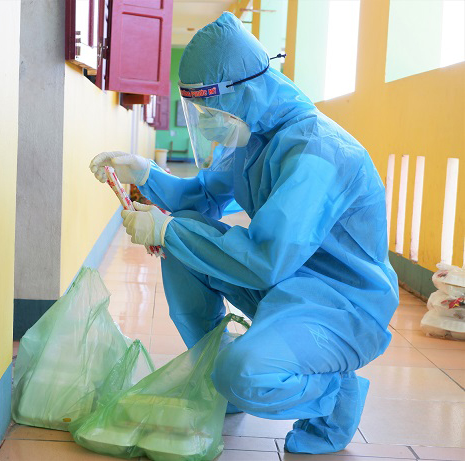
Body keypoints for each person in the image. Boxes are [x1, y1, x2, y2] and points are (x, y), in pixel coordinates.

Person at [89, 12, 398, 454]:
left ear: (247, 90)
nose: (208, 121)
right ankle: (216, 376)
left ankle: (333, 397)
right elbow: (202, 198)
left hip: (343, 307)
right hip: (289, 287)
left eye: (211, 109)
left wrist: (169, 230)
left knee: (245, 371)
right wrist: (144, 172)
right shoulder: (256, 135)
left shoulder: (318, 152)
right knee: (187, 240)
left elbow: (266, 258)